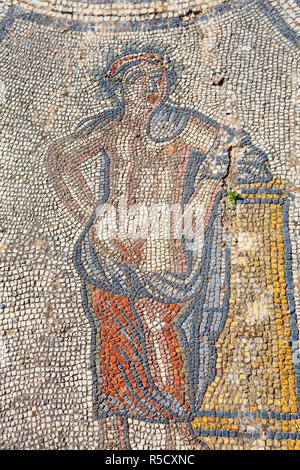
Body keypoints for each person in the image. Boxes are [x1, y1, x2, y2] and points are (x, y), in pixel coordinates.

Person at [46, 46, 271, 449]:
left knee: (159, 332)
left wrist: (212, 183)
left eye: (158, 79)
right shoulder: (109, 128)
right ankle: (114, 435)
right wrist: (94, 216)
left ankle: (178, 432)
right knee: (112, 337)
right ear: (119, 89)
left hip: (160, 250)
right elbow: (60, 158)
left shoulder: (181, 125)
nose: (150, 87)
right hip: (109, 253)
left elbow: (236, 151)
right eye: (137, 81)